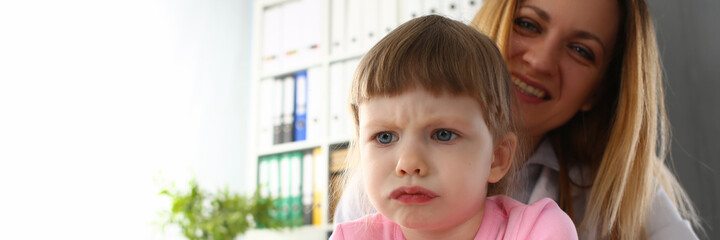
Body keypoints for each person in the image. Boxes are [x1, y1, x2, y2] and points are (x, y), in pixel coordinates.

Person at [335, 0, 702, 239]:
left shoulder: (623, 186)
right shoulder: (378, 196)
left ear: (599, 90)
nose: (541, 61)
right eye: (528, 24)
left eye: (580, 50)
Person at [329, 15, 577, 240]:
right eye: (384, 137)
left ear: (497, 157)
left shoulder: (540, 230)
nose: (408, 163)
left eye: (443, 135)